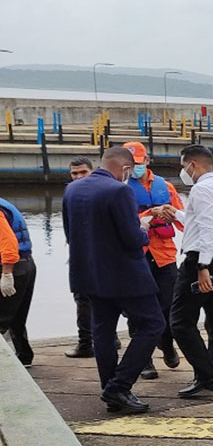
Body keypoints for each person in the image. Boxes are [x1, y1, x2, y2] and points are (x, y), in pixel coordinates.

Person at [62, 147, 165, 414]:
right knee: (153, 324)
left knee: (103, 331)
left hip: (88, 273)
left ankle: (110, 389)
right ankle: (119, 386)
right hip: (125, 274)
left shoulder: (72, 190)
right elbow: (132, 239)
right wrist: (143, 229)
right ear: (125, 168)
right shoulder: (120, 191)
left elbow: (70, 234)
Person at [167, 144, 213, 397]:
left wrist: (202, 266)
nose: (183, 171)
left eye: (183, 165)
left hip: (203, 259)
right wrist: (175, 213)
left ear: (193, 165)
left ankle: (207, 374)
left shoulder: (200, 189)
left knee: (180, 321)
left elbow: (207, 229)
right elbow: (203, 222)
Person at [122, 142, 184, 379]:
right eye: (129, 164)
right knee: (135, 310)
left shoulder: (165, 187)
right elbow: (122, 222)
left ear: (147, 161)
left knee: (168, 308)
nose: (134, 168)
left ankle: (167, 345)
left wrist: (171, 212)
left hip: (164, 256)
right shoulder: (121, 189)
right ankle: (144, 360)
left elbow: (182, 220)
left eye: (137, 163)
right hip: (135, 256)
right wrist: (150, 214)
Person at [65, 156, 96, 358]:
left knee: (91, 299)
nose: (79, 177)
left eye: (83, 172)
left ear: (92, 171)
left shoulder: (102, 192)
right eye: (75, 173)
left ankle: (89, 343)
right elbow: (67, 226)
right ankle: (86, 342)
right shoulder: (69, 192)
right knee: (83, 300)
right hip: (80, 254)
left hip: (100, 255)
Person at [0, 197, 36, 366]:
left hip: (13, 268)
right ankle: (24, 357)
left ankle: (7, 366)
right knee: (17, 317)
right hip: (26, 264)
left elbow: (9, 243)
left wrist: (7, 275)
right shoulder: (4, 204)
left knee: (2, 319)